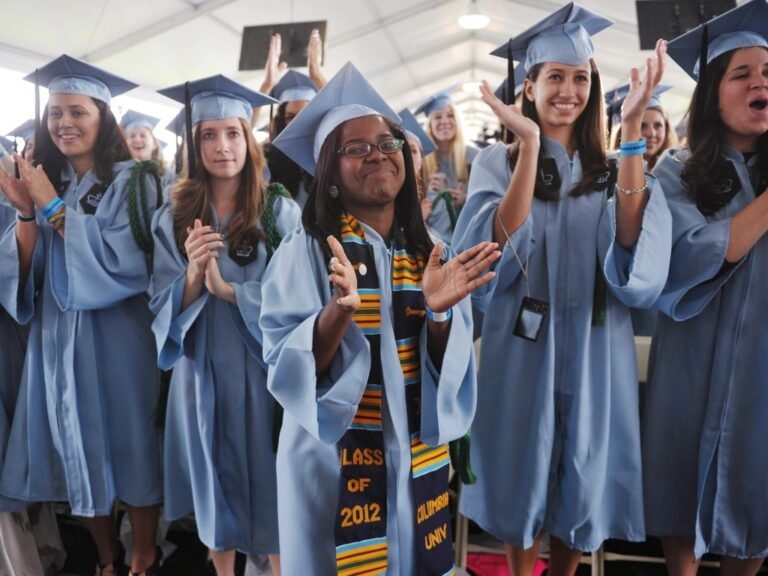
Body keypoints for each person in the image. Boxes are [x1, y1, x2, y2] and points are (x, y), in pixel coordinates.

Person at [453, 4, 672, 575]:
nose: (568, 91)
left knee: (584, 475)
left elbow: (629, 245)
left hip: (597, 349)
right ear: (528, 87)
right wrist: (528, 148)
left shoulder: (611, 166)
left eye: (580, 78)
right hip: (523, 347)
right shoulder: (495, 162)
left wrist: (628, 138)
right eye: (554, 76)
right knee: (521, 472)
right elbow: (490, 248)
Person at [262, 62, 500, 575]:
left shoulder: (433, 250)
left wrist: (438, 317)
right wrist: (336, 313)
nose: (377, 154)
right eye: (356, 147)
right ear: (328, 171)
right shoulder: (303, 251)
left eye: (388, 143)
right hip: (329, 466)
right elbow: (285, 369)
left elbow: (451, 368)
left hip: (415, 458)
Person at [0, 54, 162, 576]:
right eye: (55, 114)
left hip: (119, 337)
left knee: (132, 441)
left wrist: (51, 209)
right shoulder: (50, 181)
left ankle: (142, 553)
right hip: (58, 335)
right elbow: (25, 269)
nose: (64, 123)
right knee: (77, 445)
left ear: (103, 118)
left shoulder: (136, 181)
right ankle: (106, 556)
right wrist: (27, 210)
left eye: (77, 111)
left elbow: (126, 263)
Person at [642, 1, 768, 574]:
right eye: (741, 74)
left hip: (761, 369)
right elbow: (693, 256)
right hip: (692, 362)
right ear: (714, 94)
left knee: (755, 511)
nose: (759, 84)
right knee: (681, 502)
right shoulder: (677, 172)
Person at [152, 75, 294, 576]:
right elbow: (160, 304)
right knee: (214, 495)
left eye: (232, 133)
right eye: (208, 135)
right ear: (194, 144)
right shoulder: (173, 215)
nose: (221, 146)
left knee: (275, 494)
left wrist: (230, 291)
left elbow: (299, 298)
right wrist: (193, 274)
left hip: (264, 375)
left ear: (248, 138)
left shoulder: (279, 210)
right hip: (203, 372)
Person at [416, 88, 479, 244]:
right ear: (430, 125)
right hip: (434, 240)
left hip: (470, 237)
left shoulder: (475, 157)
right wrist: (429, 194)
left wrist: (465, 200)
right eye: (437, 117)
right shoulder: (421, 161)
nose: (444, 121)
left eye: (450, 115)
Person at [120, 110, 175, 190]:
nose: (137, 140)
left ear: (155, 144)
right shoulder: (118, 175)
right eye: (132, 136)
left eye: (143, 135)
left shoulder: (169, 178)